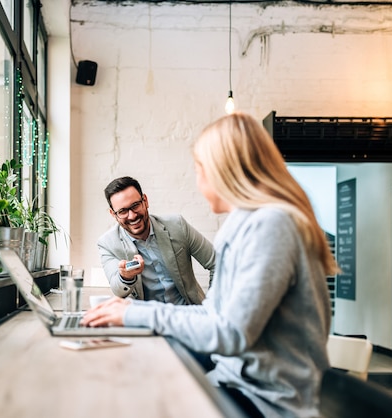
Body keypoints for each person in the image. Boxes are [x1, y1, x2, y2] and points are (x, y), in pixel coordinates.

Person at [83, 113, 338, 418]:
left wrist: (135, 313)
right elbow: (219, 317)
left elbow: (229, 332)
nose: (198, 181)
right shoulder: (248, 222)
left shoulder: (271, 225)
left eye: (199, 170)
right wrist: (130, 313)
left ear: (223, 171)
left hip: (271, 401)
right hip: (242, 383)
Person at [97, 176, 216, 305]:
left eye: (135, 205)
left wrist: (212, 305)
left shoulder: (177, 226)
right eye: (122, 211)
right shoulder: (107, 244)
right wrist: (126, 277)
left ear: (145, 201)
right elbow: (118, 290)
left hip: (189, 314)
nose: (132, 216)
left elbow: (217, 263)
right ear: (114, 214)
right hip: (146, 321)